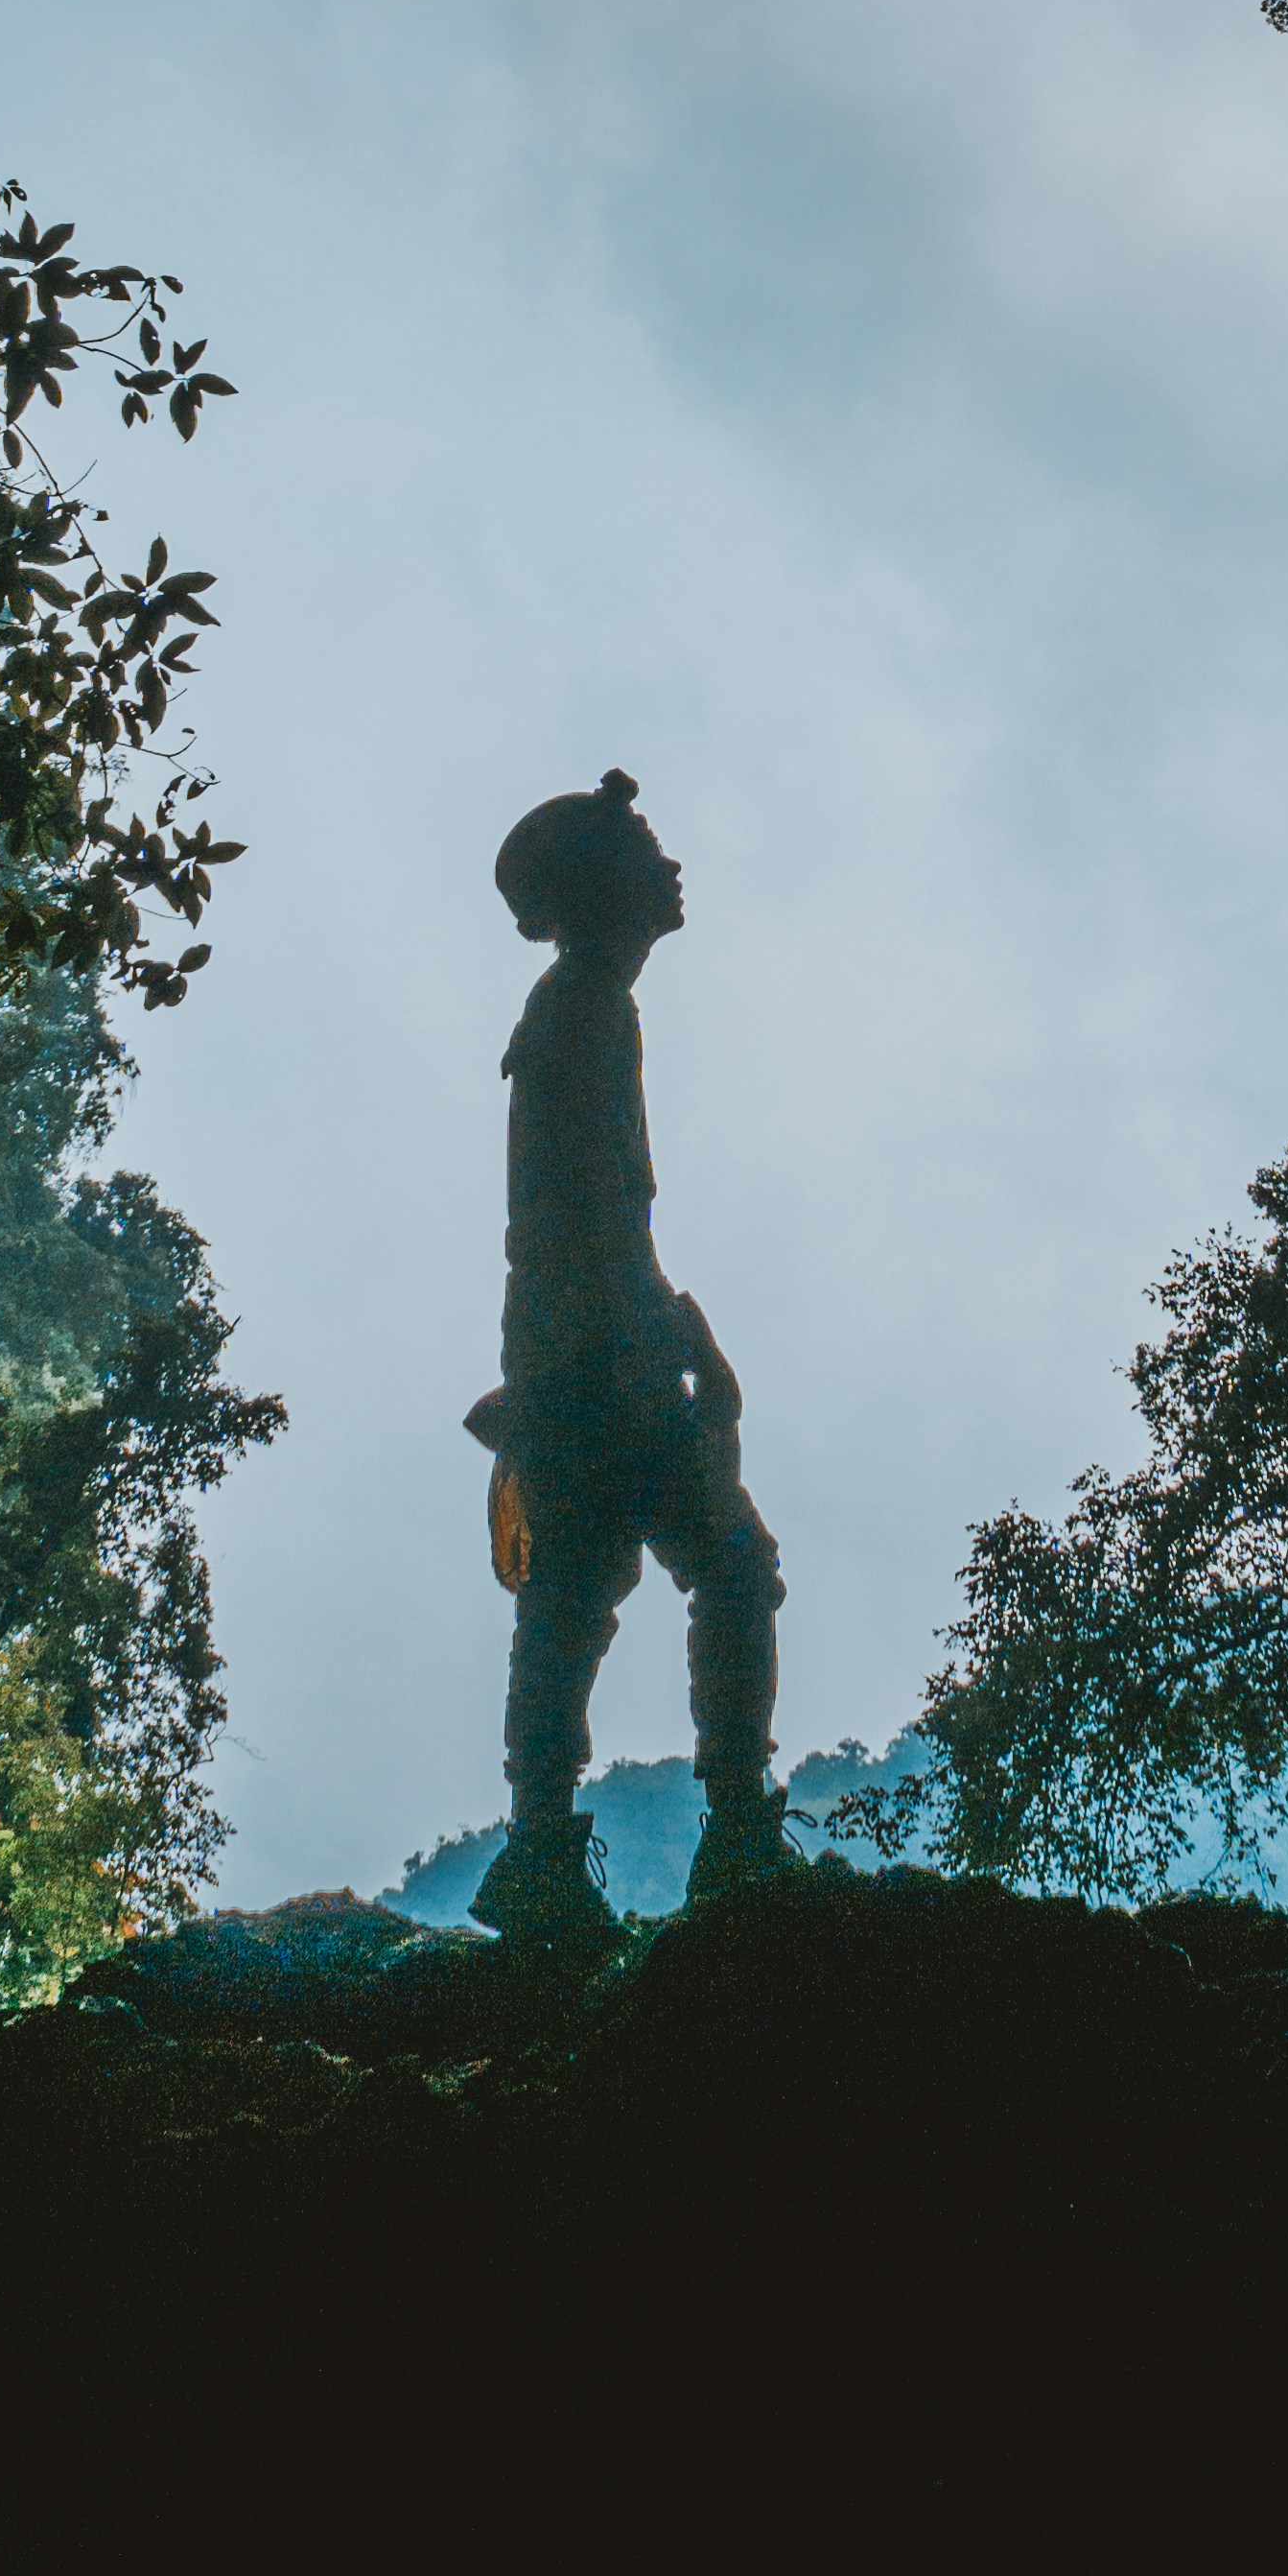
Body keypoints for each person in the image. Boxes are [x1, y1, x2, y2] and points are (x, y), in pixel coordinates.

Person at [465, 769, 788, 1946]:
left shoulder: (579, 1008)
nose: (672, 865)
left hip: (578, 1355)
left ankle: (543, 1852)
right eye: (648, 847)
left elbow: (597, 1216)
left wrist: (671, 1331)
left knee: (574, 1596)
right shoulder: (581, 1012)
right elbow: (590, 1214)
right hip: (597, 1358)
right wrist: (675, 1341)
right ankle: (731, 1837)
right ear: (603, 886)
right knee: (722, 1570)